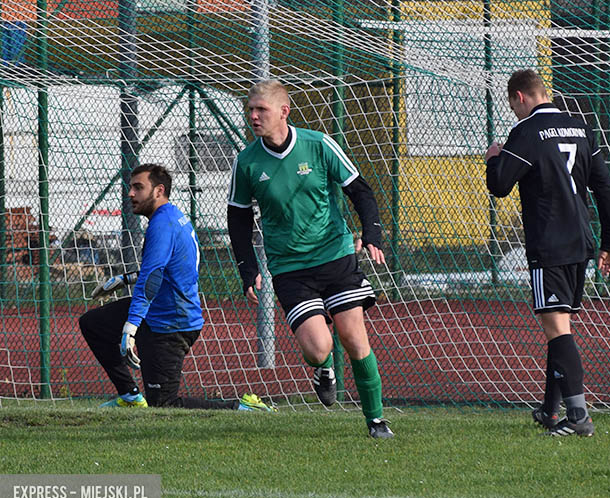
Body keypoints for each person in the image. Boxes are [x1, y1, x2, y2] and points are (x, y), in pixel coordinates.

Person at [227, 79, 393, 439]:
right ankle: (322, 370)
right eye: (250, 110)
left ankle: (376, 421)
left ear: (284, 112)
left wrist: (373, 235)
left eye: (261, 110)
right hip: (290, 269)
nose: (253, 116)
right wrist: (248, 267)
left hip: (335, 255)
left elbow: (359, 190)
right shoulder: (247, 162)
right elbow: (237, 218)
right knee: (319, 349)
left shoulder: (318, 145)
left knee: (353, 338)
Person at [485, 69, 610, 437]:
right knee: (559, 325)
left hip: (550, 244)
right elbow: (604, 188)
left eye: (512, 104)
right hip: (581, 243)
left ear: (521, 97)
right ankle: (549, 411)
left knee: (557, 329)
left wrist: (494, 157)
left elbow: (499, 186)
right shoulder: (580, 127)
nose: (513, 111)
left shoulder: (526, 133)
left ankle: (578, 419)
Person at [80, 163, 274, 412]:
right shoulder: (170, 217)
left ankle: (243, 409)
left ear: (159, 190)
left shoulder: (163, 225)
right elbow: (168, 268)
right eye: (130, 187)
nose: (131, 194)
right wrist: (126, 279)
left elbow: (153, 277)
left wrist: (130, 327)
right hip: (160, 310)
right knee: (93, 323)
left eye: (138, 188)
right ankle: (129, 396)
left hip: (171, 322)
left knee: (164, 404)